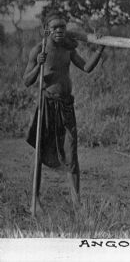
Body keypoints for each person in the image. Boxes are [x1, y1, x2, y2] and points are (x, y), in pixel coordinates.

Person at [22, 12, 105, 213]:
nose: (60, 30)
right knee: (40, 153)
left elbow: (86, 67)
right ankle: (34, 200)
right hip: (47, 105)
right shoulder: (39, 50)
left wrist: (100, 50)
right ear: (47, 29)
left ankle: (77, 204)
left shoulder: (67, 49)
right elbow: (26, 81)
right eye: (56, 27)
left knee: (71, 152)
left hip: (66, 106)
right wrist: (38, 66)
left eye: (63, 27)